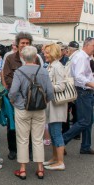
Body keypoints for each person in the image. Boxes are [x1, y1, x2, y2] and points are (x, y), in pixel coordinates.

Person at [9, 46, 54, 179]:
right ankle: (40, 169)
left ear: (22, 57)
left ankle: (22, 169)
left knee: (22, 139)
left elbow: (13, 92)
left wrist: (14, 101)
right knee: (38, 139)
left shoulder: (18, 72)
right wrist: (45, 102)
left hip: (22, 108)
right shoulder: (43, 71)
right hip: (39, 108)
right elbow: (50, 92)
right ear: (35, 57)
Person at [3, 32, 42, 160]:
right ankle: (13, 150)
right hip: (15, 98)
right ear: (17, 44)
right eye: (22, 43)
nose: (24, 45)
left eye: (27, 43)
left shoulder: (36, 58)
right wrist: (18, 89)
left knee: (31, 125)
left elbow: (39, 76)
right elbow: (7, 76)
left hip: (32, 97)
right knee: (12, 125)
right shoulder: (9, 58)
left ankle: (30, 151)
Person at [63, 37, 94, 154]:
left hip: (86, 91)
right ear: (87, 45)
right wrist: (92, 84)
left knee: (88, 120)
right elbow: (79, 77)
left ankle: (85, 146)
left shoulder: (85, 57)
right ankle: (61, 141)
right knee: (84, 121)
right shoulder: (81, 57)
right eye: (93, 46)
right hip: (83, 91)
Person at [43, 43, 68, 171]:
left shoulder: (57, 67)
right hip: (53, 105)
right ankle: (54, 158)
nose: (44, 54)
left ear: (53, 53)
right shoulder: (52, 65)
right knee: (53, 133)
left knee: (56, 133)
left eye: (47, 52)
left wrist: (48, 87)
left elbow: (62, 86)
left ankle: (60, 162)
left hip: (57, 106)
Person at [62, 41, 80, 139]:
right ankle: (75, 134)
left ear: (69, 49)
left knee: (68, 111)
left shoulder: (73, 58)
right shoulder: (74, 57)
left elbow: (69, 75)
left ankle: (67, 134)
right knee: (75, 111)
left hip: (71, 88)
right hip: (74, 88)